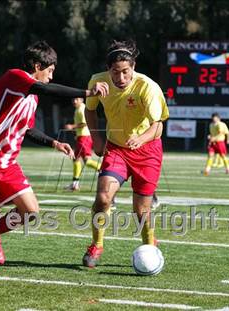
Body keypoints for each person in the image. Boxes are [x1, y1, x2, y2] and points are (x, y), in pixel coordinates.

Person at [0, 41, 108, 274]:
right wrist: (88, 92)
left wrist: (54, 142)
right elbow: (46, 89)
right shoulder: (15, 77)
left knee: (30, 212)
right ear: (37, 65)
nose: (50, 76)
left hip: (7, 163)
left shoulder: (31, 96)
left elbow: (27, 129)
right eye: (49, 70)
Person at [82, 40, 169, 268]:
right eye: (115, 72)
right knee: (103, 198)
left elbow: (158, 126)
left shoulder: (147, 87)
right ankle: (97, 244)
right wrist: (96, 138)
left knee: (141, 210)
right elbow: (89, 109)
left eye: (125, 72)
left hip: (147, 151)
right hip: (117, 148)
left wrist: (140, 139)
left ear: (133, 67)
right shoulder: (97, 81)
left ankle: (150, 244)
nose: (120, 78)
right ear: (108, 70)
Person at [64, 98, 101, 191]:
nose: (74, 101)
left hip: (85, 137)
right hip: (81, 137)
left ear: (81, 99)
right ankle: (75, 184)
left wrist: (72, 126)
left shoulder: (82, 109)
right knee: (76, 159)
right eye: (73, 99)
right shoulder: (78, 108)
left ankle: (105, 170)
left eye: (76, 99)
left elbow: (85, 123)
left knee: (87, 161)